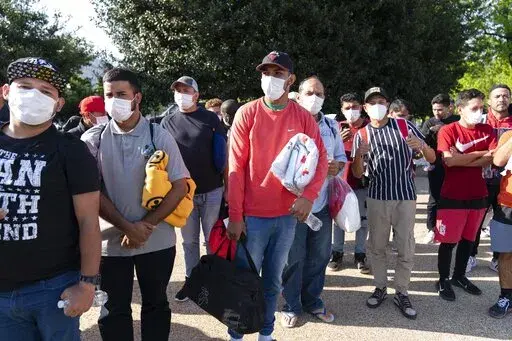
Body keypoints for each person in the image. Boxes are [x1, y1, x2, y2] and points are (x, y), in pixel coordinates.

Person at [81, 68, 189, 341]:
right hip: (110, 244)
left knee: (155, 305)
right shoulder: (93, 140)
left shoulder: (158, 135)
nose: (114, 100)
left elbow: (180, 185)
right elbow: (91, 191)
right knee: (113, 308)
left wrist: (146, 225)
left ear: (137, 97)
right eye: (109, 95)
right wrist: (127, 227)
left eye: (121, 94)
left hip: (156, 240)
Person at [227, 51, 328, 341]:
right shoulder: (247, 112)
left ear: (290, 79)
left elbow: (320, 156)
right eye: (266, 72)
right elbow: (235, 166)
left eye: (278, 73)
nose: (271, 78)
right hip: (253, 217)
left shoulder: (302, 116)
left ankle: (266, 333)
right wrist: (235, 216)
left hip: (286, 216)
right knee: (245, 280)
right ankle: (236, 333)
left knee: (272, 282)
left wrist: (309, 196)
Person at [0, 57, 101, 340]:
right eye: (25, 86)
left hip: (53, 288)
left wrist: (87, 284)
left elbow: (89, 221)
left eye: (46, 91)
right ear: (6, 91)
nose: (34, 95)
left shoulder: (71, 151)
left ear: (58, 104)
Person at [352, 87, 436, 319]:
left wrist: (422, 147)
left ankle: (401, 290)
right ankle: (380, 287)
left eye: (381, 101)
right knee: (377, 246)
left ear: (387, 104)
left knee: (405, 245)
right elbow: (358, 174)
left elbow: (432, 158)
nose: (377, 105)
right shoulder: (363, 134)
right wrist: (359, 154)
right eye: (372, 102)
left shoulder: (404, 126)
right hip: (377, 197)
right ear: (366, 108)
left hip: (405, 197)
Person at [281, 76, 346, 328]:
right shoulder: (288, 121)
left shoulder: (330, 126)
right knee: (293, 257)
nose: (314, 97)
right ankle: (291, 304)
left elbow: (341, 157)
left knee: (319, 255)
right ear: (298, 95)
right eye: (310, 92)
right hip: (294, 204)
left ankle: (312, 300)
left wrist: (336, 166)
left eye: (319, 93)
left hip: (321, 204)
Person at [160, 76, 226, 302]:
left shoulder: (211, 119)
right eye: (177, 89)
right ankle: (191, 281)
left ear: (196, 95)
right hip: (183, 193)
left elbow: (222, 156)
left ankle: (213, 281)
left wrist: (227, 187)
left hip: (212, 190)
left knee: (211, 239)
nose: (181, 94)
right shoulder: (166, 122)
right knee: (189, 241)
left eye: (186, 89)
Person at [434, 89, 497, 302]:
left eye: (482, 108)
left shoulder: (487, 129)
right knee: (449, 242)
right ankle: (443, 279)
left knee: (469, 241)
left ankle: (459, 276)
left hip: (479, 194)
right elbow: (449, 161)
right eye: (474, 108)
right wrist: (480, 154)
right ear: (460, 109)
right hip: (452, 195)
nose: (479, 112)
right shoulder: (448, 131)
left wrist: (465, 157)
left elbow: (493, 159)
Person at [468, 84, 512, 273]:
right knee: (475, 220)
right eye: (497, 96)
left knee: (501, 222)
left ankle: (497, 258)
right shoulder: (479, 121)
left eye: (505, 96)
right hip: (480, 178)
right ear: (489, 101)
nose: (501, 99)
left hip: (506, 184)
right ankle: (470, 255)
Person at [328, 92, 370, 273]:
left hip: (363, 181)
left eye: (354, 107)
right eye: (347, 108)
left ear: (361, 107)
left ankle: (360, 254)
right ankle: (337, 253)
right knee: (338, 219)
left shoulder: (369, 127)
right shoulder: (336, 128)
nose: (351, 111)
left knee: (363, 219)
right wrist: (338, 140)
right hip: (340, 182)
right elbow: (326, 153)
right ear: (341, 110)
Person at [421, 94, 460, 244]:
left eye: (440, 109)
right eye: (434, 109)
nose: (437, 113)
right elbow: (422, 141)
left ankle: (450, 228)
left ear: (449, 107)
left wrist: (444, 128)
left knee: (454, 197)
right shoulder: (429, 122)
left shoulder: (456, 120)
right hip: (436, 164)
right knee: (434, 198)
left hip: (455, 164)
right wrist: (431, 131)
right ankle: (431, 229)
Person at [488, 129, 512, 318]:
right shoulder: (508, 135)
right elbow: (498, 161)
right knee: (506, 254)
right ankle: (506, 296)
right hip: (508, 204)